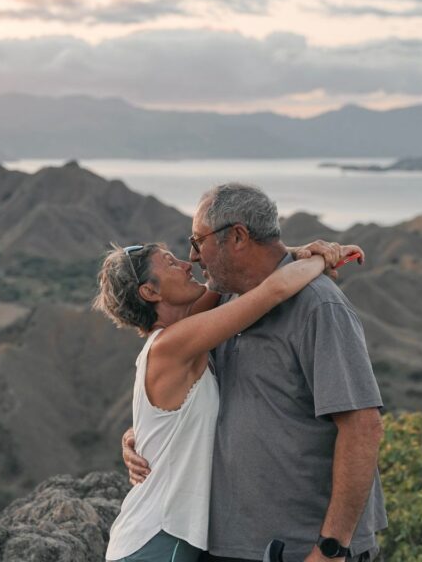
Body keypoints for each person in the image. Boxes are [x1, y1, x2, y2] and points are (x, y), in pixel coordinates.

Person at [123, 183, 387, 562]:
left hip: (300, 548)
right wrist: (140, 435)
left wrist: (331, 547)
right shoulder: (226, 303)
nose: (193, 257)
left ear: (238, 236)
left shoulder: (319, 306)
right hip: (230, 544)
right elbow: (180, 394)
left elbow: (363, 427)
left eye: (198, 242)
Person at [94, 237, 357, 562]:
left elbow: (229, 278)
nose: (186, 264)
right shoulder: (171, 345)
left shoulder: (180, 336)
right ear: (150, 292)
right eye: (171, 263)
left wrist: (293, 252)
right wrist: (324, 258)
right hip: (159, 541)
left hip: (163, 538)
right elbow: (272, 292)